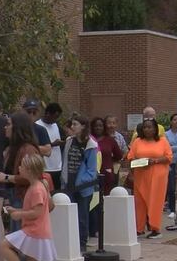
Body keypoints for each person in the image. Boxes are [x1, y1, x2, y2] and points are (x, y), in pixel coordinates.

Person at [0, 153, 56, 261]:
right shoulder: (38, 186)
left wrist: (19, 214)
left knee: (4, 245)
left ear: (29, 170)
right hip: (39, 230)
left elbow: (36, 212)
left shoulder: (36, 189)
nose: (19, 168)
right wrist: (16, 210)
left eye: (22, 166)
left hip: (34, 230)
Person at [0, 111, 42, 261]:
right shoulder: (13, 149)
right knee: (18, 246)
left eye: (9, 124)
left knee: (25, 248)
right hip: (16, 198)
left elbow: (32, 175)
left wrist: (8, 177)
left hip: (25, 200)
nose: (5, 127)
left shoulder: (28, 149)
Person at [127, 118, 172, 239]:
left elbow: (169, 157)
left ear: (155, 129)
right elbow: (130, 158)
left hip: (158, 176)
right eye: (145, 127)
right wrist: (138, 164)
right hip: (141, 174)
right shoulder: (137, 141)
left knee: (155, 201)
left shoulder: (162, 141)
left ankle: (155, 229)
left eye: (150, 127)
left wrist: (155, 161)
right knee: (140, 201)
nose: (147, 129)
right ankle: (139, 228)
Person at [60, 115, 99, 251]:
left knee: (82, 217)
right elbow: (65, 161)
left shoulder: (90, 145)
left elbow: (92, 170)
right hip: (68, 184)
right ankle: (71, 242)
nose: (72, 127)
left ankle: (82, 244)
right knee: (70, 216)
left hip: (82, 187)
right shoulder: (69, 141)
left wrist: (81, 182)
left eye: (75, 124)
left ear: (83, 126)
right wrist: (64, 180)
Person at [90, 117, 122, 239]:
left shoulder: (110, 140)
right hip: (92, 176)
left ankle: (105, 227)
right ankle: (93, 228)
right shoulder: (89, 140)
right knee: (93, 203)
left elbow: (119, 155)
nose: (98, 128)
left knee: (104, 203)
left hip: (107, 175)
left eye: (100, 126)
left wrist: (109, 162)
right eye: (96, 126)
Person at [36, 103, 64, 191]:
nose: (56, 120)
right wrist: (52, 144)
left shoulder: (56, 126)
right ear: (48, 113)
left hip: (57, 166)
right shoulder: (37, 126)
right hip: (45, 167)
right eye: (55, 116)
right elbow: (35, 146)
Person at [165, 114, 177, 217]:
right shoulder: (166, 134)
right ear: (171, 121)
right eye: (174, 119)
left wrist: (173, 147)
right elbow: (167, 148)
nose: (176, 121)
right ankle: (171, 209)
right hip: (170, 162)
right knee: (171, 187)